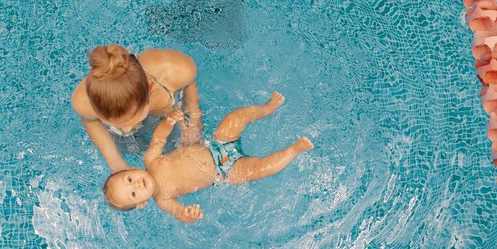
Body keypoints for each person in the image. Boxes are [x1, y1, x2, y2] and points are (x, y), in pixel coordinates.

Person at [103, 92, 314, 223]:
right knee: (261, 169)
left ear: (130, 169)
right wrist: (188, 215)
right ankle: (294, 150)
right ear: (141, 204)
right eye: (133, 194)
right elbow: (179, 212)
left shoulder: (150, 160)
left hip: (216, 144)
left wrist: (167, 122)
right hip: (224, 171)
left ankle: (266, 109)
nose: (137, 185)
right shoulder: (163, 200)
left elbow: (158, 139)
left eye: (129, 179)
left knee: (236, 116)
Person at [71, 44, 202, 173]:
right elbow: (91, 121)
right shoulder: (83, 103)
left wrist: (192, 126)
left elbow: (189, 86)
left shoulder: (177, 71)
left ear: (150, 88)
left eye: (133, 120)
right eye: (116, 124)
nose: (127, 129)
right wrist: (117, 165)